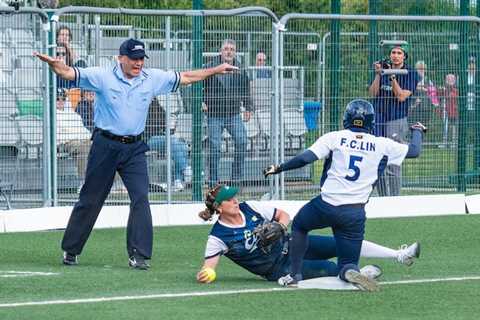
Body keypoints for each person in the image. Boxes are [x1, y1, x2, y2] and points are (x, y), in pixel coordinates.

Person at [34, 38, 238, 270]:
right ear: (121, 58)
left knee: (141, 197)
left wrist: (218, 68)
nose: (138, 63)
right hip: (105, 145)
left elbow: (187, 77)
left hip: (134, 148)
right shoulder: (102, 76)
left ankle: (138, 255)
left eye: (141, 58)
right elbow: (69, 73)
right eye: (133, 58)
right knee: (91, 199)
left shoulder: (152, 78)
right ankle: (71, 249)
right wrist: (54, 65)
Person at [262, 99, 426, 291]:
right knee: (348, 263)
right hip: (354, 214)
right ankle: (349, 270)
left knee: (300, 225)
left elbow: (306, 158)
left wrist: (280, 168)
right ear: (370, 122)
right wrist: (417, 131)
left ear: (346, 118)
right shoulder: (382, 144)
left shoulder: (334, 137)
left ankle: (294, 274)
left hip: (325, 205)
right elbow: (414, 151)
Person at [196, 184, 420, 284]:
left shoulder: (249, 207)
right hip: (280, 268)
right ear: (217, 207)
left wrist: (281, 227)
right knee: (333, 269)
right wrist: (206, 274)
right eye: (228, 199)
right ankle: (359, 274)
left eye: (234, 196)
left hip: (295, 244)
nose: (234, 200)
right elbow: (209, 266)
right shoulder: (218, 237)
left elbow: (283, 215)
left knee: (344, 242)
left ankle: (399, 255)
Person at [369, 42, 419, 196]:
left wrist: (391, 77)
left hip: (396, 119)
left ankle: (395, 198)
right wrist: (379, 73)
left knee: (393, 160)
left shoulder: (411, 73)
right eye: (393, 52)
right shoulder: (383, 69)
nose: (395, 56)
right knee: (379, 159)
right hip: (379, 119)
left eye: (399, 53)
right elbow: (372, 93)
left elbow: (401, 96)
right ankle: (383, 197)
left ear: (404, 56)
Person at [203, 39, 253, 188]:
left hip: (233, 114)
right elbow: (198, 86)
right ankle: (213, 182)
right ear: (221, 51)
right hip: (214, 114)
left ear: (235, 52)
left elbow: (246, 90)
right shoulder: (209, 67)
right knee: (215, 147)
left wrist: (248, 108)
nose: (229, 51)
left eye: (232, 49)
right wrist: (201, 102)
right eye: (226, 48)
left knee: (242, 141)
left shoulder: (240, 69)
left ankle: (236, 180)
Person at [144, 96, 189, 192]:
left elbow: (164, 119)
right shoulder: (140, 106)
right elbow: (148, 127)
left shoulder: (155, 103)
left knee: (181, 144)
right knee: (172, 141)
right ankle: (185, 169)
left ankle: (178, 181)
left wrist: (169, 128)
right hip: (146, 139)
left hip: (160, 136)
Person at [56, 91, 91, 189]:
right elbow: (57, 137)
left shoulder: (73, 114)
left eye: (63, 98)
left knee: (101, 146)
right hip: (64, 143)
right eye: (57, 99)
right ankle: (83, 182)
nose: (60, 101)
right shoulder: (51, 115)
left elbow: (83, 130)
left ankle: (113, 182)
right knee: (84, 149)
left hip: (81, 140)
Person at [437, 74, 458, 147]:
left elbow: (453, 97)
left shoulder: (455, 90)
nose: (448, 81)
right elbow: (438, 95)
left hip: (453, 111)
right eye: (447, 79)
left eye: (450, 79)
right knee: (445, 127)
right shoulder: (444, 89)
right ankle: (444, 142)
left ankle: (454, 142)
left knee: (454, 127)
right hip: (445, 111)